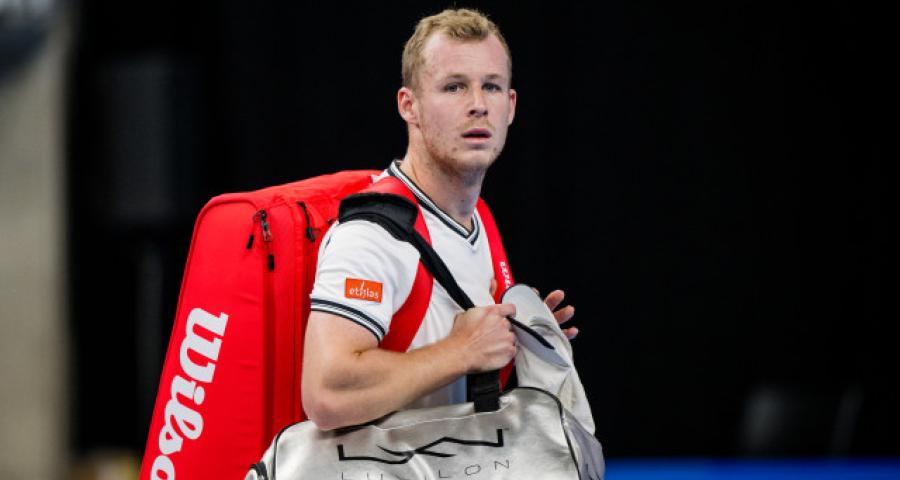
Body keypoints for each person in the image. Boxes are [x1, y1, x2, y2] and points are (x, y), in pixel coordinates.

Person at [301, 8, 577, 431]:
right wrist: (461, 351)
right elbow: (326, 395)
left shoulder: (476, 217)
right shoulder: (370, 237)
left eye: (491, 86)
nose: (478, 105)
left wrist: (517, 339)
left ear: (511, 106)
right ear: (408, 105)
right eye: (454, 87)